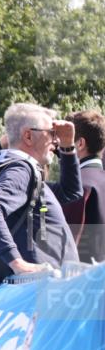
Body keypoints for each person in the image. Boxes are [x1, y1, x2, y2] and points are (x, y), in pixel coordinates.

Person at [0, 103, 82, 278]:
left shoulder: (18, 170)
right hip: (42, 292)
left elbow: (71, 192)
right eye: (51, 133)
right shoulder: (21, 169)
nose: (56, 140)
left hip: (45, 290)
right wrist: (18, 263)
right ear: (28, 136)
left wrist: (68, 147)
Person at [62, 110, 105, 263]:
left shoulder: (78, 186)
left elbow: (67, 247)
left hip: (86, 280)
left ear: (80, 144)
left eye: (65, 141)